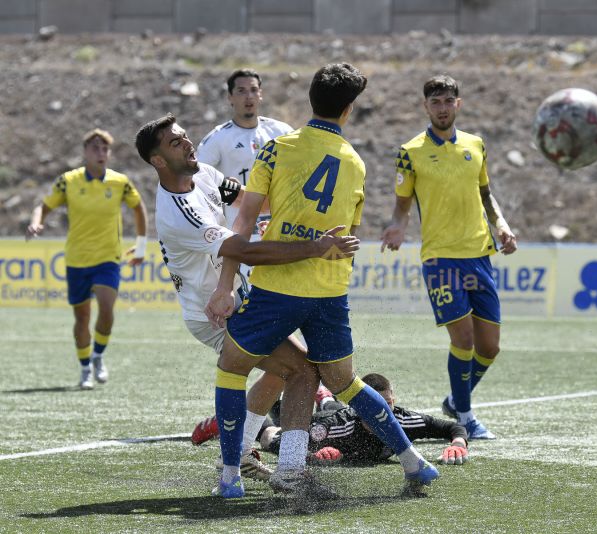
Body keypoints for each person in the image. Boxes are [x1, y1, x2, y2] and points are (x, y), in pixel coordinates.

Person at [206, 63, 440, 499]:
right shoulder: (355, 163)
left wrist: (226, 284)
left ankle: (229, 475)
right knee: (344, 382)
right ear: (349, 110)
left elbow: (242, 222)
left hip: (278, 287)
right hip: (330, 290)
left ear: (310, 99)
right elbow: (346, 237)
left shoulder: (277, 148)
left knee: (232, 369)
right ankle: (411, 461)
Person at [134, 113, 359, 496]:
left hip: (237, 299)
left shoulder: (203, 173)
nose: (188, 143)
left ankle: (237, 454)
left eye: (185, 136)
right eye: (175, 143)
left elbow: (249, 199)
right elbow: (245, 251)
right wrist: (316, 247)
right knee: (303, 370)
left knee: (281, 373)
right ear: (157, 161)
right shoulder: (179, 213)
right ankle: (281, 470)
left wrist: (301, 206)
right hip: (214, 314)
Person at [381, 75, 518, 440]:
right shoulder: (410, 152)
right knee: (463, 339)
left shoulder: (476, 145)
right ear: (426, 107)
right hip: (441, 259)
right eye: (435, 102)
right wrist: (396, 228)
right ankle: (467, 417)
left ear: (458, 104)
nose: (442, 108)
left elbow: (486, 195)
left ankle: (456, 400)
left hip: (479, 255)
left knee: (490, 347)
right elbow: (402, 208)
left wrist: (501, 226)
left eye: (448, 101)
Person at [26, 129, 148, 390]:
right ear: (85, 152)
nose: (101, 153)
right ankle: (84, 368)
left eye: (105, 149)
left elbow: (138, 207)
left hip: (108, 258)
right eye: (95, 148)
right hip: (77, 260)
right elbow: (44, 206)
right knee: (82, 318)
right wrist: (36, 223)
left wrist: (140, 245)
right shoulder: (68, 181)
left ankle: (98, 355)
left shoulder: (120, 182)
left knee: (106, 307)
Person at [191, 374, 470, 466]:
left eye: (387, 405)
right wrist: (314, 455)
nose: (381, 413)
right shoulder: (336, 428)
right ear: (362, 406)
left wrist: (459, 442)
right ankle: (232, 420)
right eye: (374, 406)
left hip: (335, 410)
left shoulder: (401, 419)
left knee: (331, 405)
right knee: (271, 433)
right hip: (318, 420)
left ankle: (323, 394)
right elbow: (285, 445)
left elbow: (449, 426)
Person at [196, 68, 294, 277]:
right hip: (239, 236)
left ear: (261, 94)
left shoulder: (283, 133)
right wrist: (220, 189)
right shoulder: (217, 139)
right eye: (241, 91)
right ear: (230, 97)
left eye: (253, 90)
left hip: (279, 232)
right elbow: (196, 180)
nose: (248, 96)